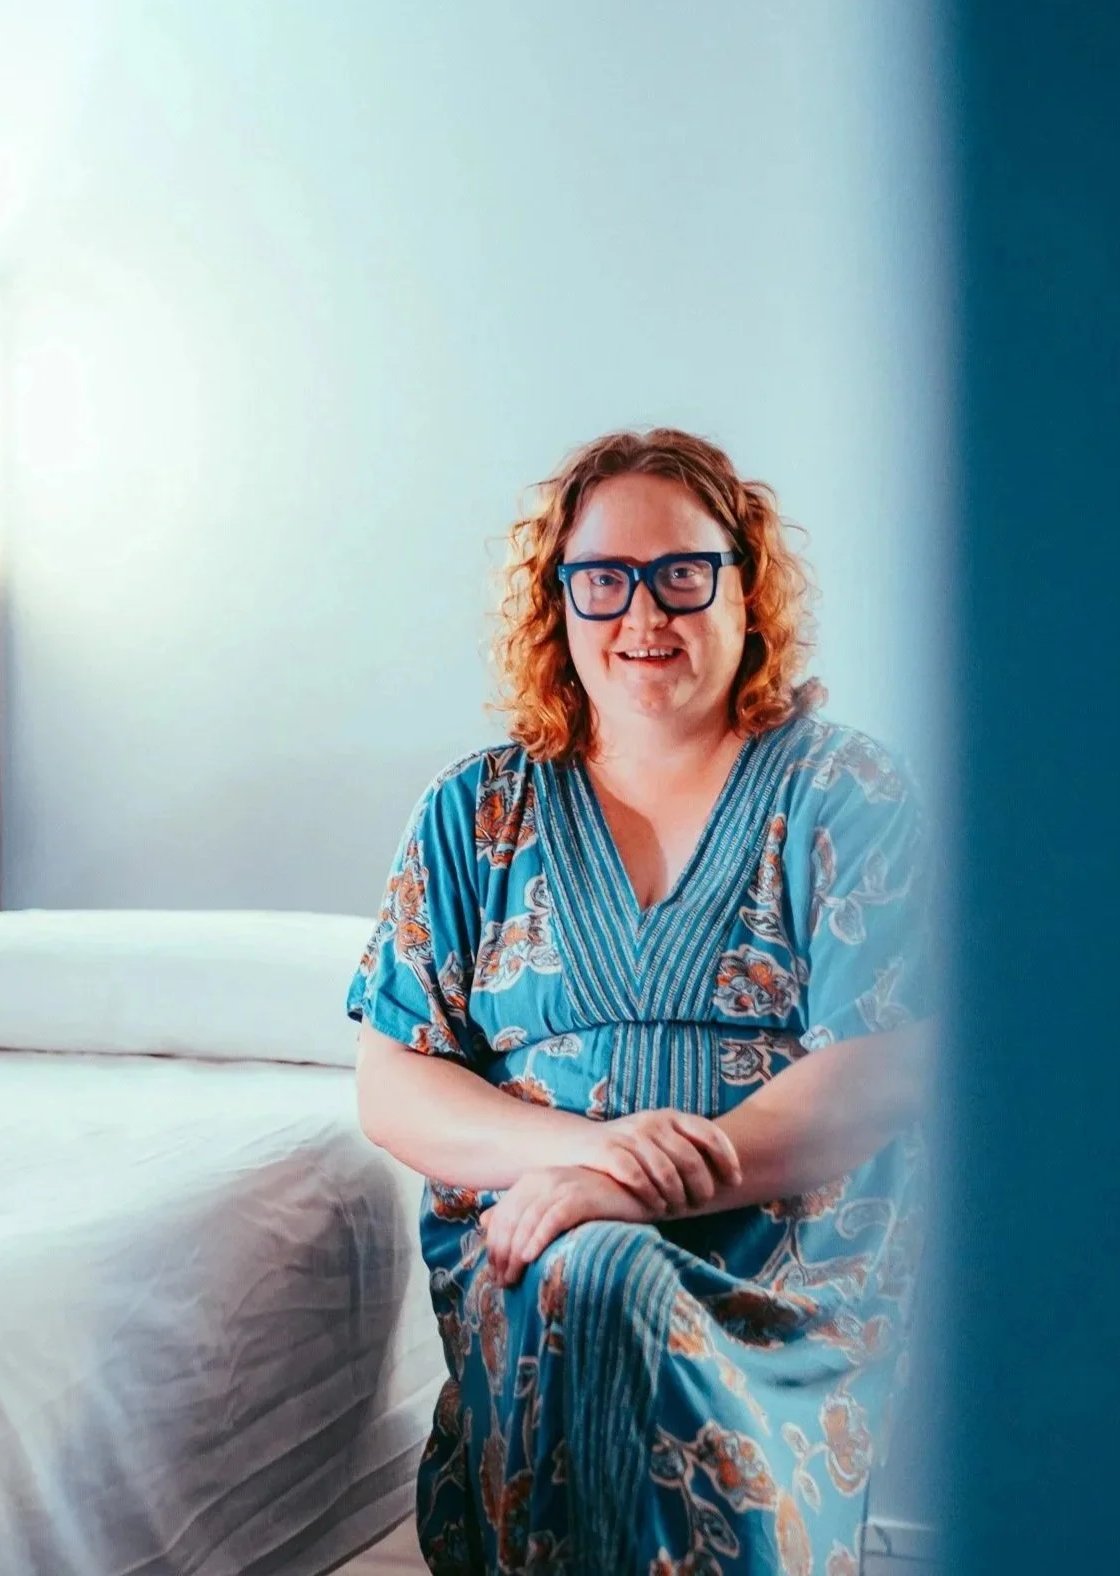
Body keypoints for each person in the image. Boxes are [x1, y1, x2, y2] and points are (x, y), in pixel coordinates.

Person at [347, 427, 934, 1575]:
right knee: (596, 1266)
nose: (643, 615)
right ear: (557, 603)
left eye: (682, 573)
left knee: (610, 1264)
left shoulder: (844, 791)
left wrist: (633, 1176)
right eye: (603, 579)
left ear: (745, 587)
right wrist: (589, 1158)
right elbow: (395, 1081)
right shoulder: (474, 812)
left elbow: (883, 1069)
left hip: (777, 1267)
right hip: (537, 1242)